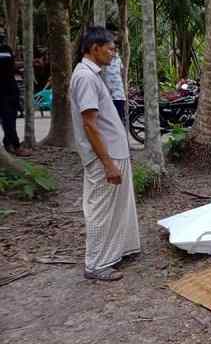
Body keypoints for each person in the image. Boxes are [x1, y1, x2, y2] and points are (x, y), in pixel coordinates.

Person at [69, 26, 140, 281]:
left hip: (113, 152)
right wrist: (108, 163)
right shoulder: (86, 77)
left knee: (119, 206)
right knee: (101, 208)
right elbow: (90, 123)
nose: (113, 53)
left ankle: (118, 251)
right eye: (110, 48)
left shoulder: (92, 74)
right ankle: (96, 264)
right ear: (94, 48)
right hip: (105, 156)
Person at [0, 45, 31, 157]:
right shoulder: (5, 51)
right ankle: (16, 146)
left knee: (10, 121)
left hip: (11, 91)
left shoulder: (6, 48)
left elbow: (10, 67)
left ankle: (9, 143)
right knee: (8, 122)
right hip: (4, 93)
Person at [103, 23, 126, 123]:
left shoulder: (118, 58)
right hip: (106, 96)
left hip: (118, 95)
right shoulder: (103, 57)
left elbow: (121, 74)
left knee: (118, 123)